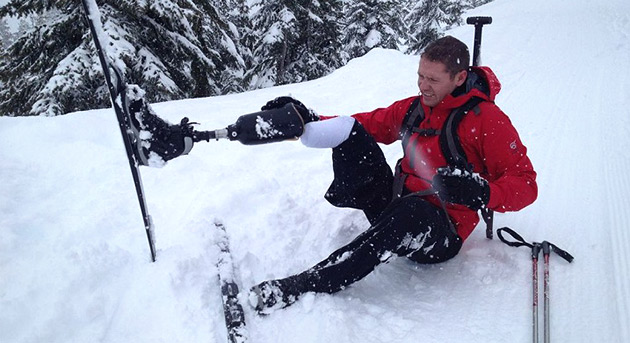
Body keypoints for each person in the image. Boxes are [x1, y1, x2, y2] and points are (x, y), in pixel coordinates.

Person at [140, 35, 538, 315]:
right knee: (351, 132)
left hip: (440, 230)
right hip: (399, 205)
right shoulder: (415, 107)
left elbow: (526, 183)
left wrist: (481, 192)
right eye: (420, 76)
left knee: (408, 217)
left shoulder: (486, 120)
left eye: (433, 80)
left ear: (459, 77)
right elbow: (363, 124)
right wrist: (305, 119)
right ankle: (207, 135)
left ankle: (303, 284)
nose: (423, 86)